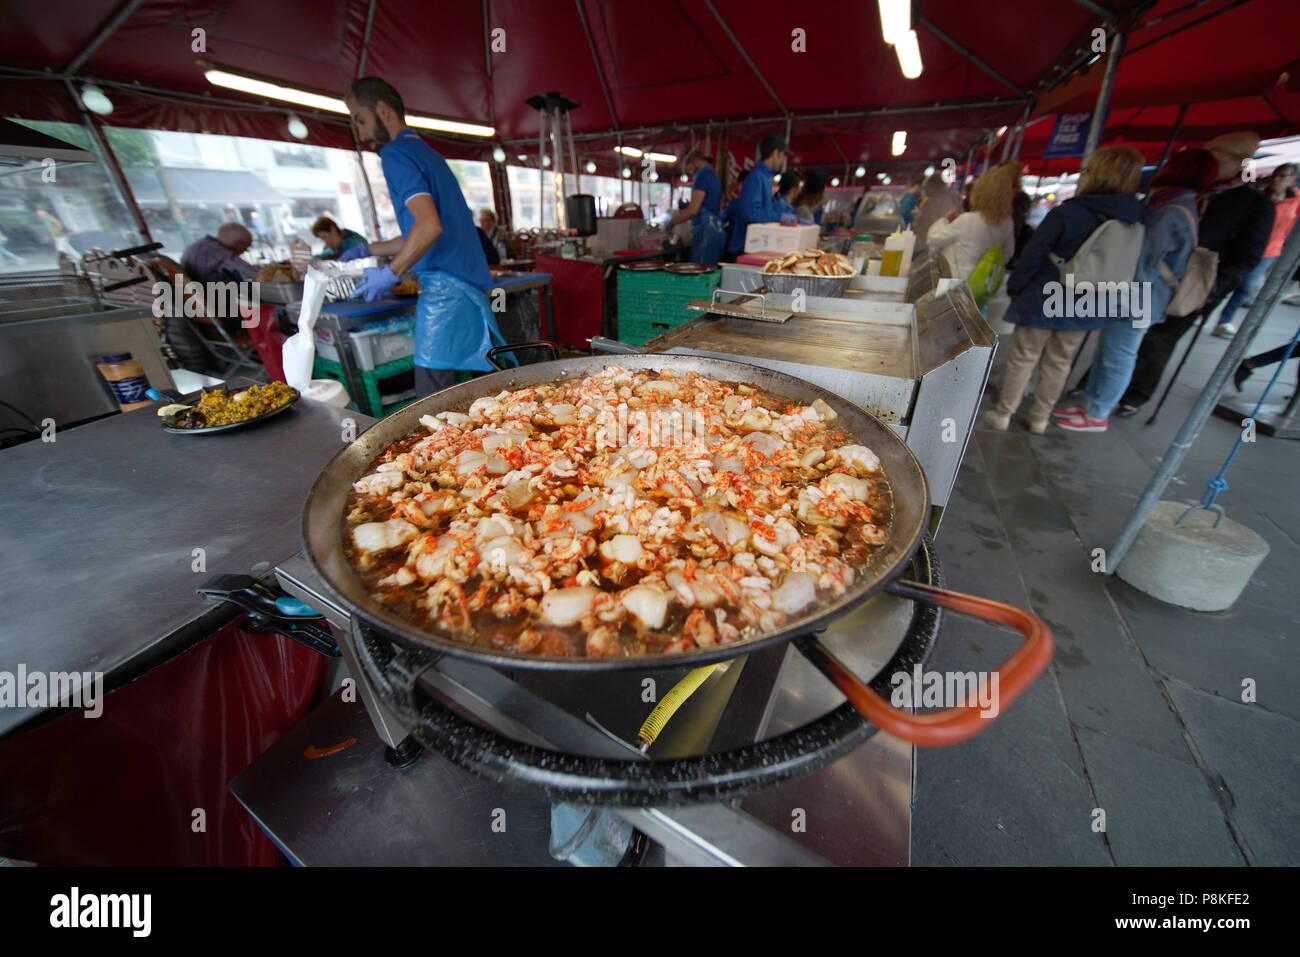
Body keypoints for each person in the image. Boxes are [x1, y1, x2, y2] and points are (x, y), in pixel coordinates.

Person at [341, 76, 499, 396]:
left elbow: (429, 227)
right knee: (480, 387)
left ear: (382, 109)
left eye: (361, 120)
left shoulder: (395, 153)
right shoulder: (427, 153)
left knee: (431, 398)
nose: (362, 135)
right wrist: (366, 249)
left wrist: (390, 272)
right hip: (468, 289)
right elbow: (421, 231)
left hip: (446, 292)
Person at [983, 145, 1145, 434]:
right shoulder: (1134, 216)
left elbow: (1033, 253)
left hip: (1046, 292)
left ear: (1097, 174)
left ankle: (1004, 413)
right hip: (1091, 298)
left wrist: (1018, 287)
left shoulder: (1071, 212)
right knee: (1060, 361)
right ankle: (1040, 418)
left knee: (1023, 358)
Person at [1056, 148, 1219, 432]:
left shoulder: (1170, 210)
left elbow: (1144, 259)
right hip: (1142, 294)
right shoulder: (1176, 204)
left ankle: (1097, 412)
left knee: (1119, 353)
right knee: (1110, 351)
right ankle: (1093, 403)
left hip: (1142, 296)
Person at [1117, 132, 1274, 414]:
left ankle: (1135, 394)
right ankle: (1102, 382)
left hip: (1196, 283)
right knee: (1125, 330)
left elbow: (1247, 255)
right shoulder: (1189, 190)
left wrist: (1214, 290)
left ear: (1237, 162)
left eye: (1216, 157)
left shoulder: (1253, 202)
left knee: (1159, 339)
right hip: (1156, 273)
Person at [1214, 163, 1299, 333]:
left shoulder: (1295, 200)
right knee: (1228, 280)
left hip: (1270, 250)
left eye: (1282, 176)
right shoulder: (1260, 196)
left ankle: (1224, 320)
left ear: (1292, 180)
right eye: (1275, 174)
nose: (1276, 179)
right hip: (1247, 247)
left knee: (1246, 285)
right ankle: (1206, 310)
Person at [923, 164, 1017, 282]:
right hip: (982, 284)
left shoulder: (968, 220)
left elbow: (933, 238)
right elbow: (1008, 253)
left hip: (957, 283)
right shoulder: (1007, 223)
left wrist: (945, 220)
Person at [724, 135, 791, 260]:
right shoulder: (756, 178)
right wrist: (779, 217)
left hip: (754, 247)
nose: (783, 161)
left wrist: (785, 210)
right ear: (775, 153)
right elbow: (751, 214)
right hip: (743, 249)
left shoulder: (766, 179)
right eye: (782, 156)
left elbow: (766, 208)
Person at [667, 150, 726, 264]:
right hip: (717, 231)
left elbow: (693, 210)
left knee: (699, 272)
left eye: (689, 169)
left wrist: (672, 222)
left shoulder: (702, 176)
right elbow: (707, 204)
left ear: (696, 161)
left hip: (706, 232)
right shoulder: (714, 177)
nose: (690, 173)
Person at [180, 222, 258, 283]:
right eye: (246, 247)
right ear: (238, 243)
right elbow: (254, 274)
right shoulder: (217, 251)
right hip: (212, 299)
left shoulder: (201, 244)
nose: (245, 251)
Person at [912, 173, 963, 251]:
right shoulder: (951, 198)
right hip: (928, 247)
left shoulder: (939, 201)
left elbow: (944, 227)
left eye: (925, 187)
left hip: (928, 248)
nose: (924, 190)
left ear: (932, 186)